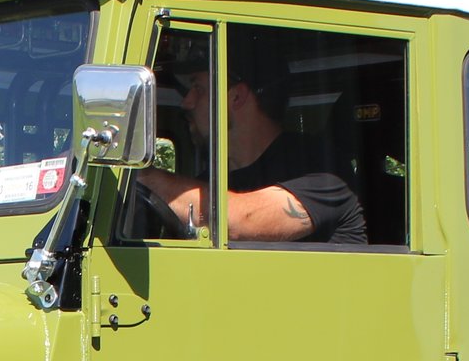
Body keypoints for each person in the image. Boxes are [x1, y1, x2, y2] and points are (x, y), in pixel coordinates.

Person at [137, 42, 367, 244]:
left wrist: (139, 176)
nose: (187, 102)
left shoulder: (322, 169)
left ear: (236, 97)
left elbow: (239, 221)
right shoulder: (209, 181)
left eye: (198, 88)